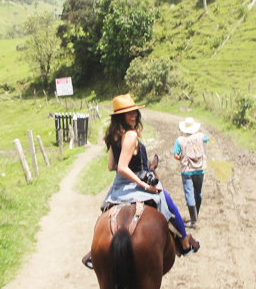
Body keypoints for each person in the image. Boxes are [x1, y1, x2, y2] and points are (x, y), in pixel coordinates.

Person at [82, 94, 199, 268]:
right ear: (120, 116)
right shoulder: (130, 135)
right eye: (128, 113)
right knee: (170, 206)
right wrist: (145, 184)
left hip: (118, 186)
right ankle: (184, 243)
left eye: (134, 112)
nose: (133, 115)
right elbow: (121, 167)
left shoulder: (114, 135)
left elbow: (111, 166)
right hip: (137, 183)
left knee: (105, 212)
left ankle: (95, 251)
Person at [173, 117, 208, 229]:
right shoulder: (201, 136)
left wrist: (181, 158)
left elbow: (176, 155)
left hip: (187, 171)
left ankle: (193, 221)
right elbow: (206, 139)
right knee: (198, 192)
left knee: (189, 194)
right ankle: (196, 216)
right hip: (200, 169)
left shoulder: (180, 140)